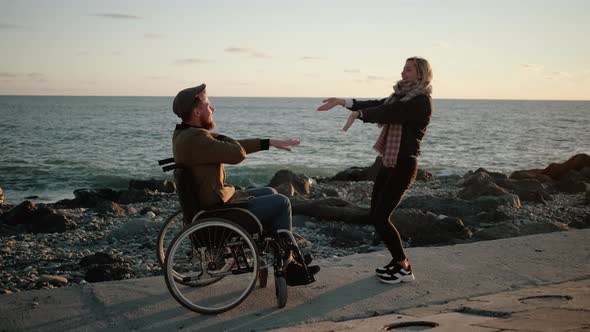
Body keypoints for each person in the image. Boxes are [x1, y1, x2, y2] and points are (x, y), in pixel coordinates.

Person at [172, 83, 319, 283]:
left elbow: (227, 147)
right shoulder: (198, 139)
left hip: (213, 203)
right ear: (197, 111)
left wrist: (268, 142)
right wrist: (219, 135)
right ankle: (288, 263)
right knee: (282, 202)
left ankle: (277, 255)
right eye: (209, 105)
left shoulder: (185, 135)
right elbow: (236, 153)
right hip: (219, 212)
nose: (213, 109)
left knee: (270, 191)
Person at [317, 57, 433, 284]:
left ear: (420, 74)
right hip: (388, 162)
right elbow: (379, 105)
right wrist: (343, 102)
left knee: (381, 217)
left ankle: (404, 267)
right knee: (375, 215)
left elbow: (389, 113)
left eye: (408, 69)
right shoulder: (398, 96)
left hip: (404, 164)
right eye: (403, 68)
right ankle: (398, 262)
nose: (403, 72)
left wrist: (361, 115)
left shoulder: (420, 102)